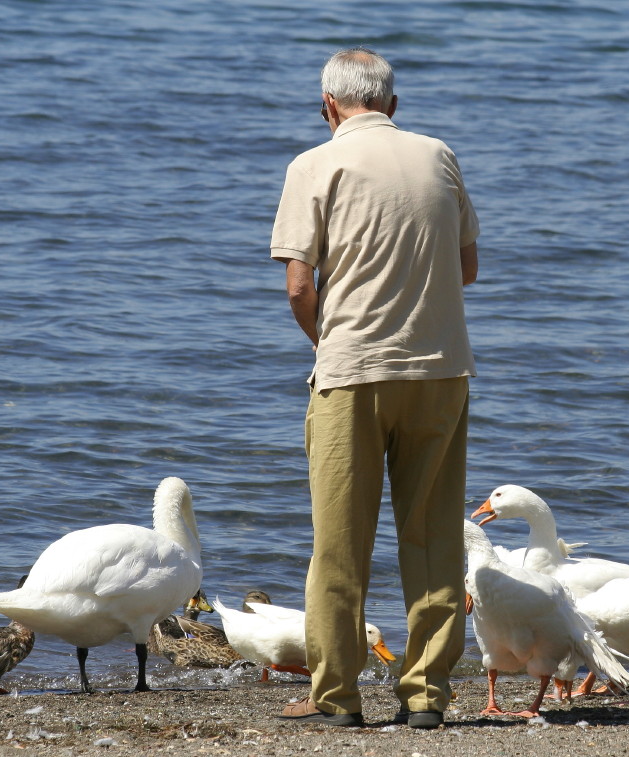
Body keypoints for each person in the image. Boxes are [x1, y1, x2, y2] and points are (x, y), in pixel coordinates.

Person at [270, 47, 479, 729]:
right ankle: (426, 695)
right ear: (392, 103)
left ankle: (337, 697)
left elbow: (300, 285)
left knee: (339, 544)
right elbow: (467, 266)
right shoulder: (439, 155)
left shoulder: (313, 164)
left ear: (329, 105)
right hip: (440, 370)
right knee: (435, 539)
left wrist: (328, 341)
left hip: (351, 373)